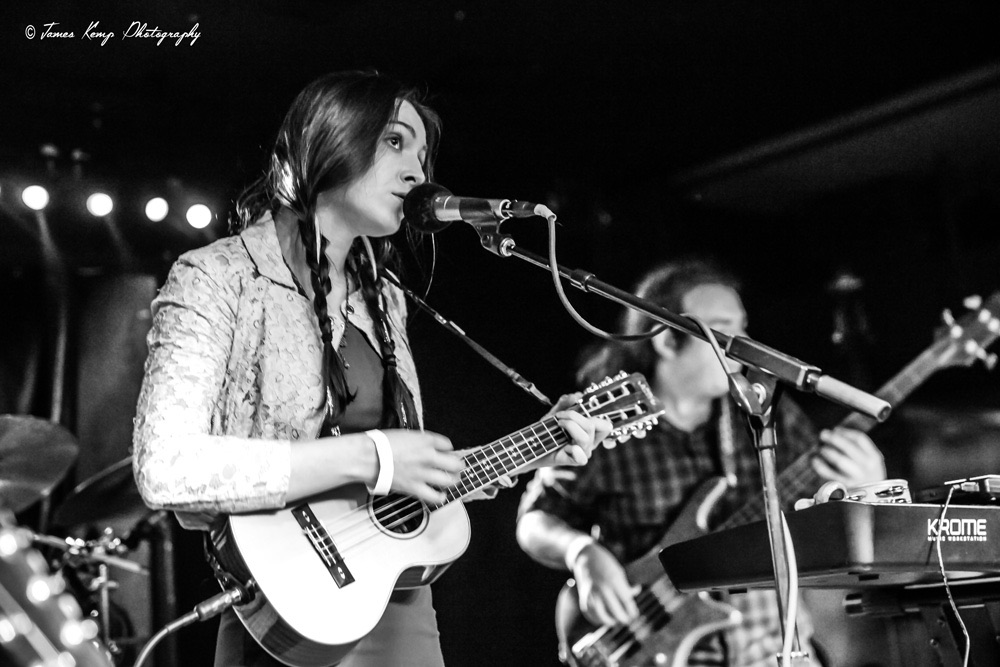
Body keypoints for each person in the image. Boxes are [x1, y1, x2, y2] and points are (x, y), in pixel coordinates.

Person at [132, 71, 611, 667]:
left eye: (423, 153)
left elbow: (395, 488)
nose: (418, 172)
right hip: (288, 608)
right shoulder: (216, 278)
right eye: (395, 142)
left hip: (399, 608)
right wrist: (377, 457)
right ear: (326, 138)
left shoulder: (384, 299)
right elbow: (166, 467)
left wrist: (538, 445)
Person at [516, 258, 886, 667]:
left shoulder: (764, 412)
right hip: (652, 651)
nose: (744, 344)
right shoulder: (604, 425)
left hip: (772, 647)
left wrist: (863, 491)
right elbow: (534, 521)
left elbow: (821, 520)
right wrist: (581, 552)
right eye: (724, 328)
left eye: (743, 326)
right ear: (667, 342)